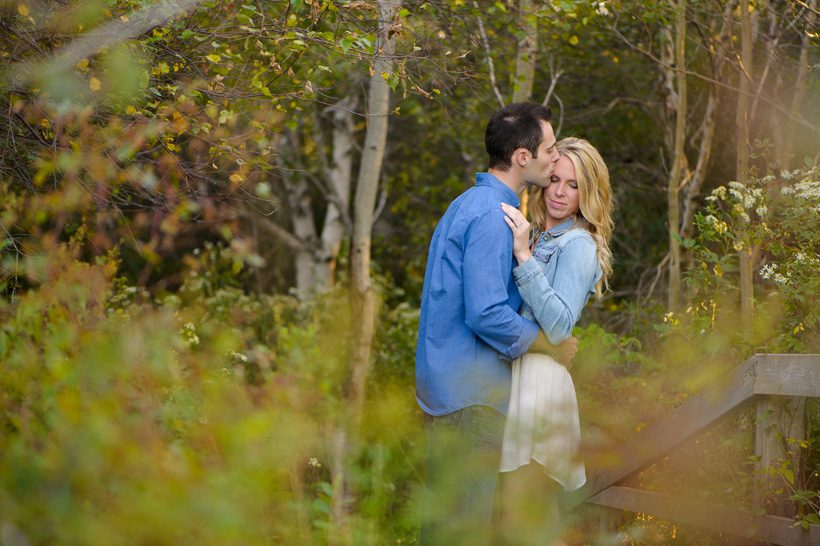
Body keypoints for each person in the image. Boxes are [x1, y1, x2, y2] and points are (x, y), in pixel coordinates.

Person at [415, 103, 576, 546]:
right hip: (472, 394)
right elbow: (485, 311)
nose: (555, 156)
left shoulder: (469, 203)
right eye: (549, 148)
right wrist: (545, 344)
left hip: (453, 388)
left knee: (446, 525)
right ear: (523, 157)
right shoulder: (492, 215)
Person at [497, 137, 614, 546]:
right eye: (556, 180)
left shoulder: (577, 244)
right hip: (520, 373)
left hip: (540, 383)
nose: (560, 192)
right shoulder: (535, 235)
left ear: (588, 193)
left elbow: (560, 326)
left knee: (526, 510)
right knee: (519, 513)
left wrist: (523, 258)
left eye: (574, 185)